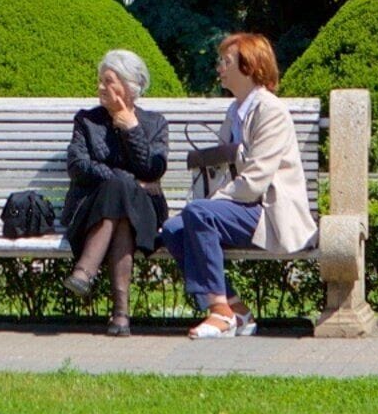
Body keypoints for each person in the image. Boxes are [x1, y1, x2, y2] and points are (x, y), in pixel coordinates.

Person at [156, 33, 315, 342]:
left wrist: (209, 203)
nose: (219, 68)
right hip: (242, 206)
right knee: (174, 229)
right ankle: (236, 308)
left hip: (269, 210)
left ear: (249, 66)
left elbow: (255, 181)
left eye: (226, 61)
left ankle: (219, 314)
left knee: (199, 214)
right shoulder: (234, 111)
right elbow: (222, 172)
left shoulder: (271, 111)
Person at [57, 50, 170, 336]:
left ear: (130, 87)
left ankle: (84, 272)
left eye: (108, 82)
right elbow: (77, 165)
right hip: (91, 210)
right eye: (99, 81)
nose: (100, 88)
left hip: (143, 212)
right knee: (120, 198)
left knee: (122, 199)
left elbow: (153, 170)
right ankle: (121, 316)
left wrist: (131, 129)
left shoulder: (154, 124)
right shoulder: (87, 121)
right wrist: (125, 180)